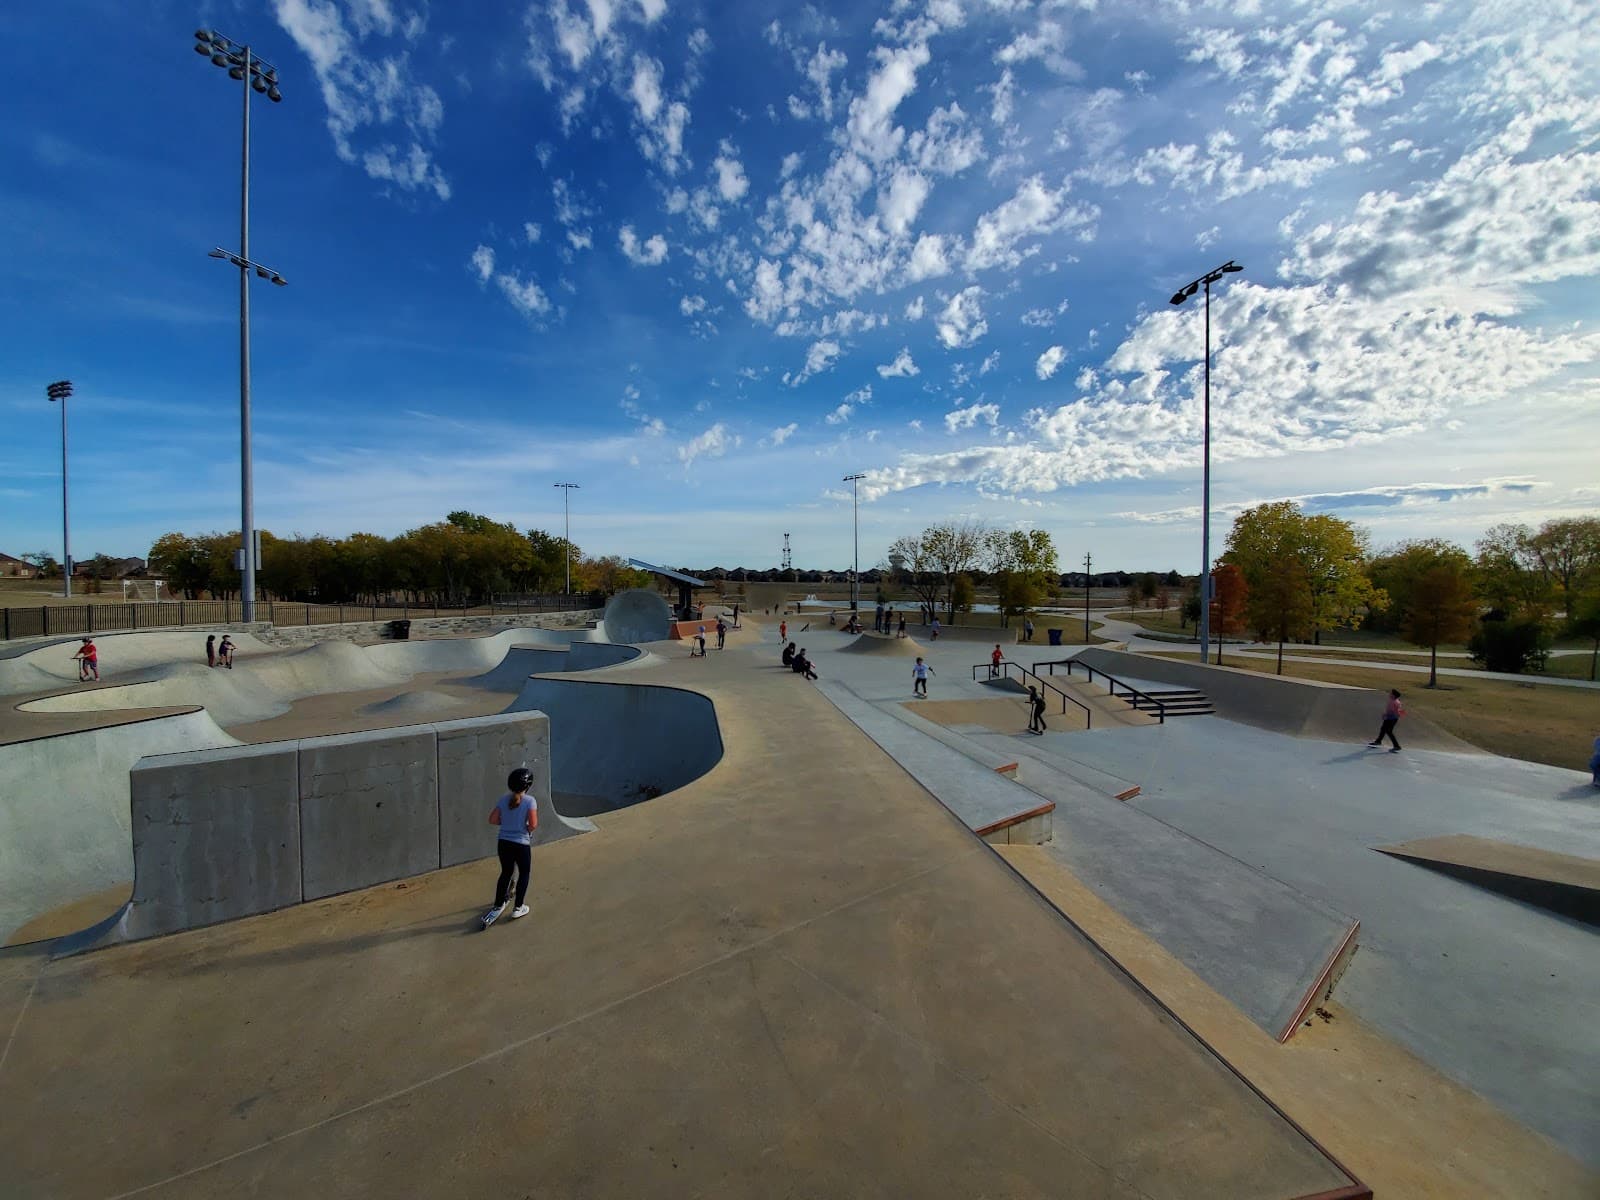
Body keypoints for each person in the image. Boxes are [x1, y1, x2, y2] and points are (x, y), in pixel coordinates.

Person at [481, 767, 539, 928]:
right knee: (524, 873)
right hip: (521, 844)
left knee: (506, 873)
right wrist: (525, 829)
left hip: (504, 843)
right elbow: (533, 824)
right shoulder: (530, 801)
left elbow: (492, 820)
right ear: (528, 786)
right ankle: (518, 908)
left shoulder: (503, 799)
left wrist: (507, 824)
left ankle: (499, 904)